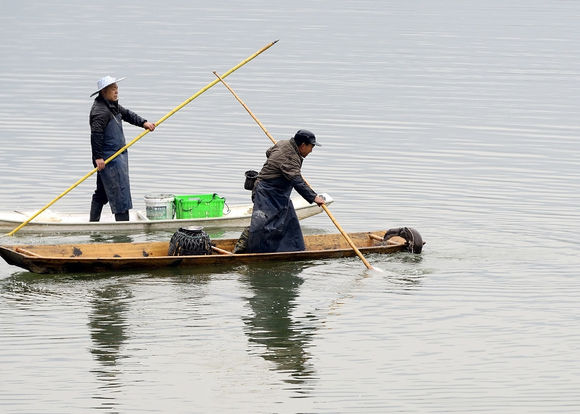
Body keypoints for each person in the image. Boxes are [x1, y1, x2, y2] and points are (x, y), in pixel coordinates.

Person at [246, 129, 326, 253]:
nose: (311, 150)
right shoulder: (289, 157)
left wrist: (279, 164)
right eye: (311, 147)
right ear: (303, 145)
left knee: (290, 223)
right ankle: (257, 251)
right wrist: (314, 197)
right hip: (267, 192)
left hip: (280, 194)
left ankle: (293, 250)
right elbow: (297, 182)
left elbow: (268, 153)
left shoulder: (283, 143)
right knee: (266, 226)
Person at [89, 76, 156, 222]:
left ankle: (93, 222)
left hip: (117, 156)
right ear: (104, 92)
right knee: (120, 194)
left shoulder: (112, 106)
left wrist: (144, 123)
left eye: (116, 88)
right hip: (109, 159)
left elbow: (127, 114)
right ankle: (123, 226)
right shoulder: (100, 111)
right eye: (113, 89)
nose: (116, 91)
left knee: (102, 192)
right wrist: (98, 158)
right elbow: (96, 136)